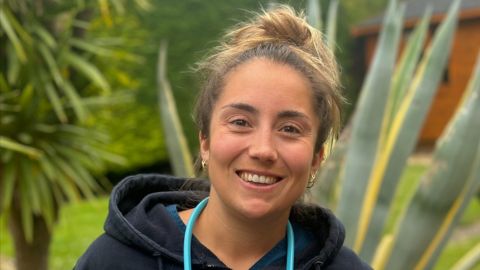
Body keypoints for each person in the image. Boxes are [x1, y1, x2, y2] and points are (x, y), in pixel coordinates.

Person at [74, 5, 371, 270]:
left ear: (317, 158)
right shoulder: (113, 260)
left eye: (290, 128)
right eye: (240, 122)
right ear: (205, 141)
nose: (263, 149)